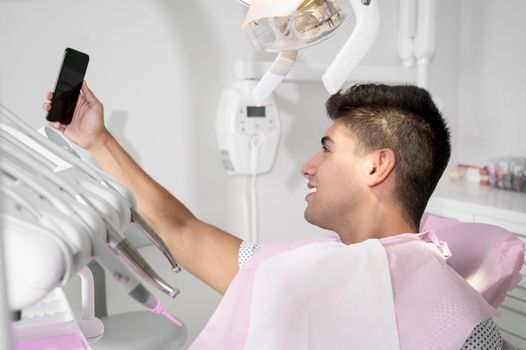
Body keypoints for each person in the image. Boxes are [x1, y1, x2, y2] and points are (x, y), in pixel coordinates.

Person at [44, 82, 503, 349]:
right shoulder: (293, 267)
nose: (308, 166)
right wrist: (97, 141)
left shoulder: (466, 329)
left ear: (376, 165)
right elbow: (183, 230)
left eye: (327, 149)